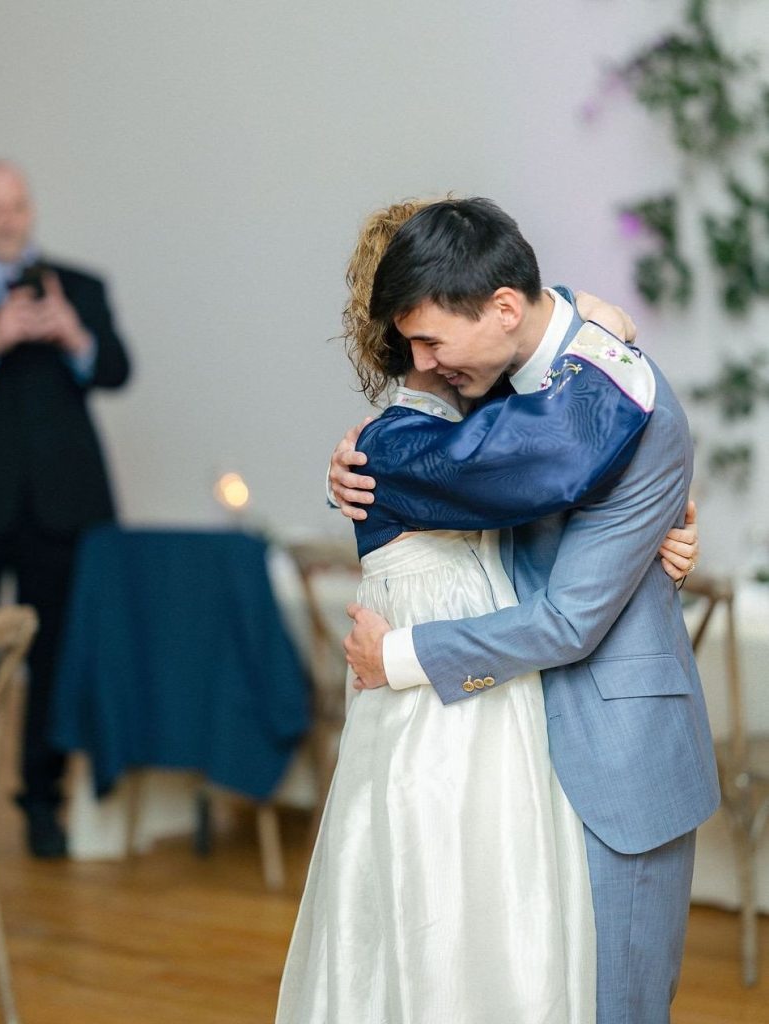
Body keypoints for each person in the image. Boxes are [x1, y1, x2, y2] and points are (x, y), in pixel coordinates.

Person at [276, 202, 700, 1023]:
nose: (424, 363)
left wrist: (396, 658)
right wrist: (368, 459)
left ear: (503, 305)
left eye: (433, 342)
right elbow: (461, 467)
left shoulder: (618, 393)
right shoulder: (497, 383)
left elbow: (572, 618)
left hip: (614, 756)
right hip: (502, 749)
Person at [0, 159, 130, 856]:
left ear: (30, 209)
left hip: (62, 507)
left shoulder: (77, 287)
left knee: (54, 659)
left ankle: (42, 805)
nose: (8, 219)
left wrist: (71, 333)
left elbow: (116, 368)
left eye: (16, 206)